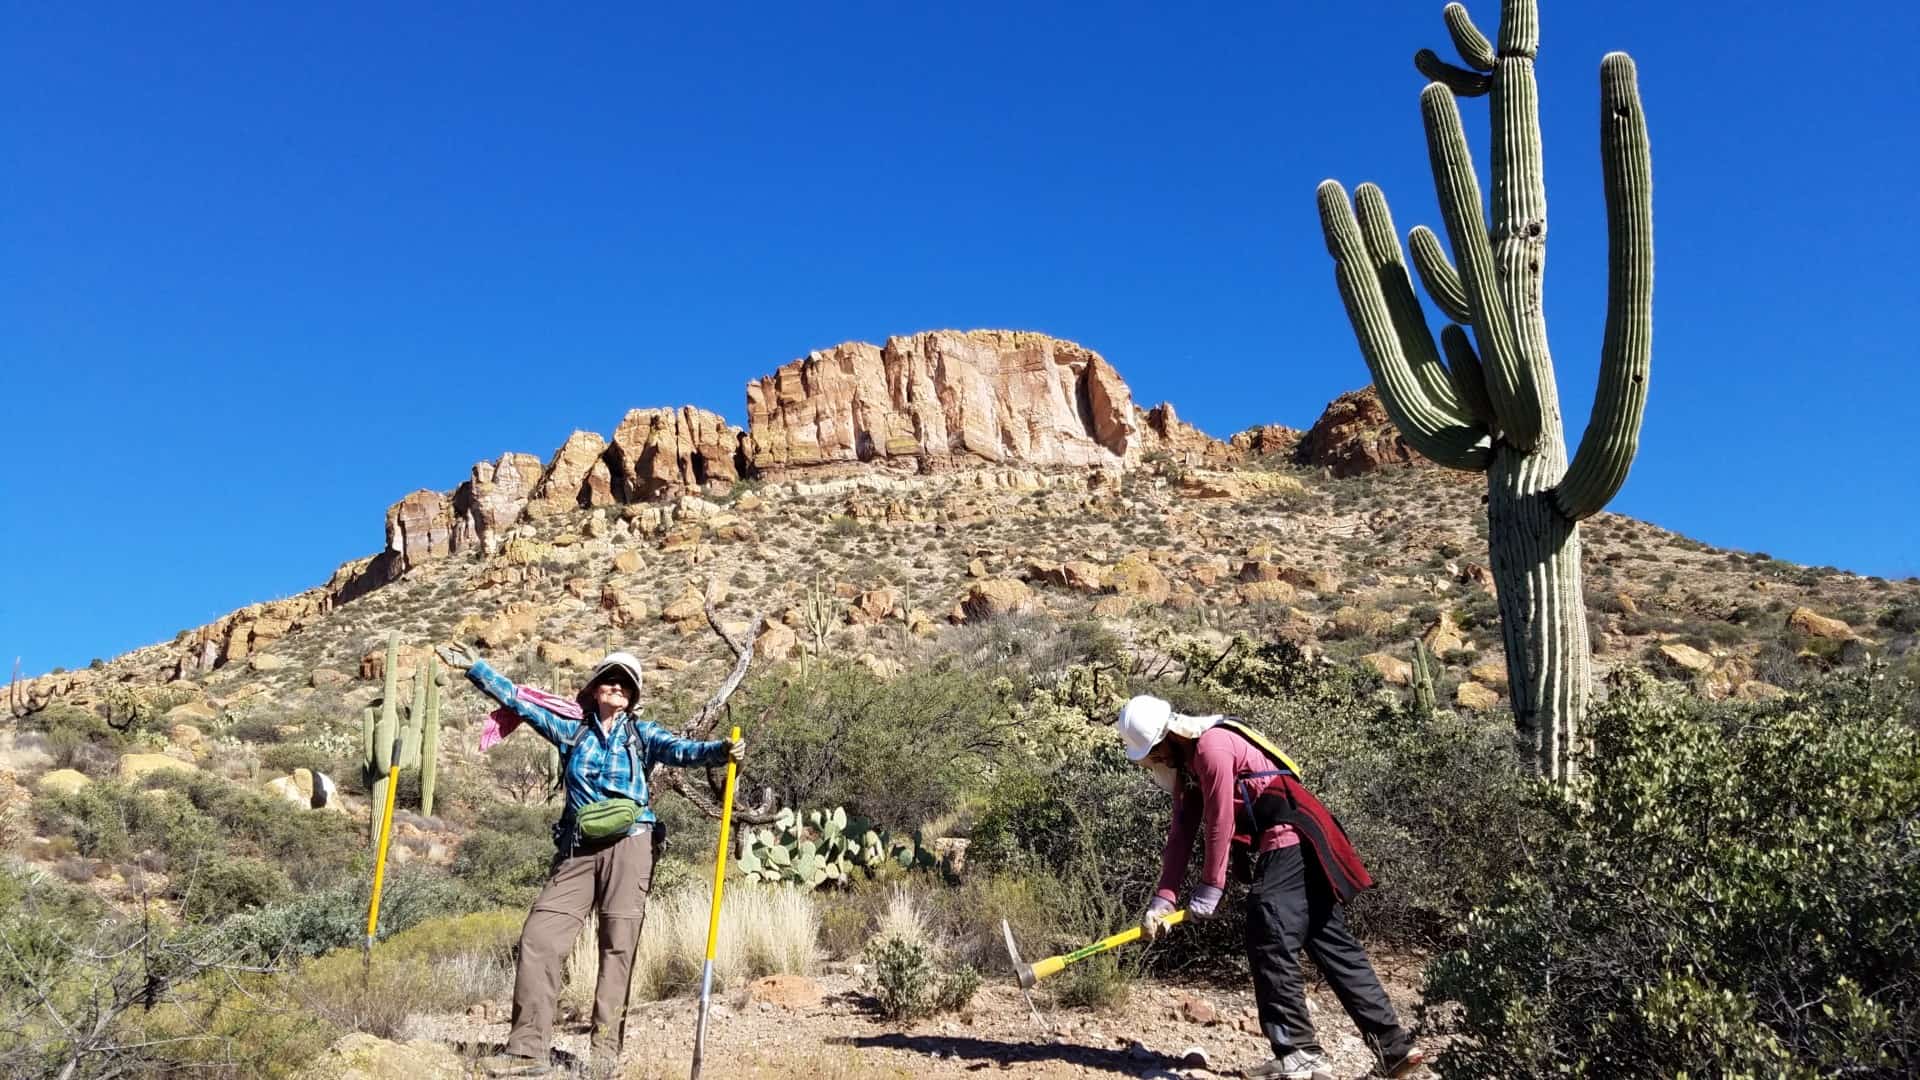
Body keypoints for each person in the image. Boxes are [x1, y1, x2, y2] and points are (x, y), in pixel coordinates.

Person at [436, 643, 744, 1079]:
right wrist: (477, 669)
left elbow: (684, 750)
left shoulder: (643, 734)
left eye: (626, 682)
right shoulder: (571, 730)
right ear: (595, 688)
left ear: (633, 695)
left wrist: (722, 752)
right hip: (578, 849)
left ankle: (603, 1060)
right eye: (609, 678)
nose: (616, 686)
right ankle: (527, 1051)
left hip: (632, 845)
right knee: (539, 938)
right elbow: (519, 700)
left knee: (618, 947)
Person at [1116, 694, 1422, 1080]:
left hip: (1292, 833)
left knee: (1269, 928)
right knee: (1330, 941)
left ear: (1171, 736)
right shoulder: (1189, 766)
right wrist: (1164, 899)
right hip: (1300, 836)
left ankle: (1298, 1053)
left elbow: (1219, 821)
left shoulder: (1211, 746)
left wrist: (1212, 887)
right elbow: (1181, 833)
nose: (1155, 759)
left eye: (1156, 751)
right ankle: (1394, 1047)